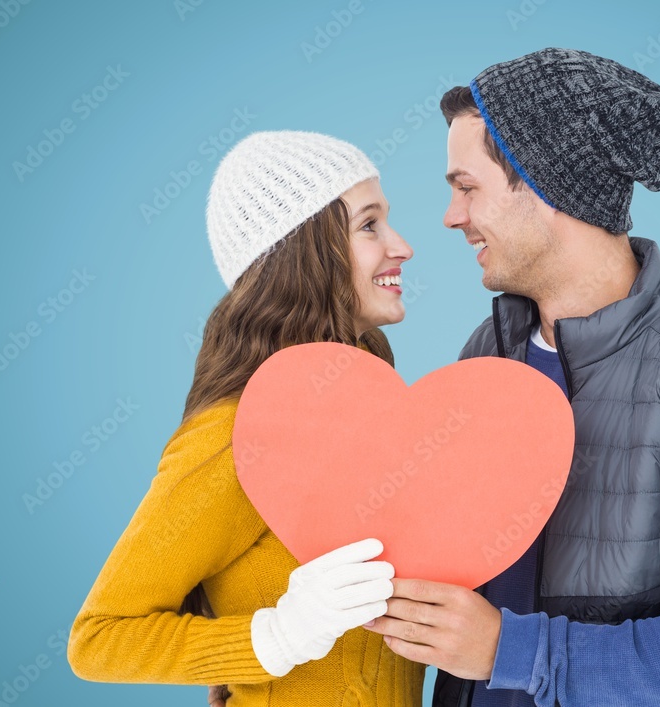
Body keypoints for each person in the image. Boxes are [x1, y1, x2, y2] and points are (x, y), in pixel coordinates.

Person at [364, 48, 660, 706]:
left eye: (467, 186)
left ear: (545, 185)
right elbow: (445, 583)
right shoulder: (487, 355)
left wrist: (513, 650)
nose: (451, 216)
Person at [68, 131, 425, 706]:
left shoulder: (372, 410)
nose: (402, 246)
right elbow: (99, 639)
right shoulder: (236, 436)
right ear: (304, 253)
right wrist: (279, 635)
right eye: (369, 225)